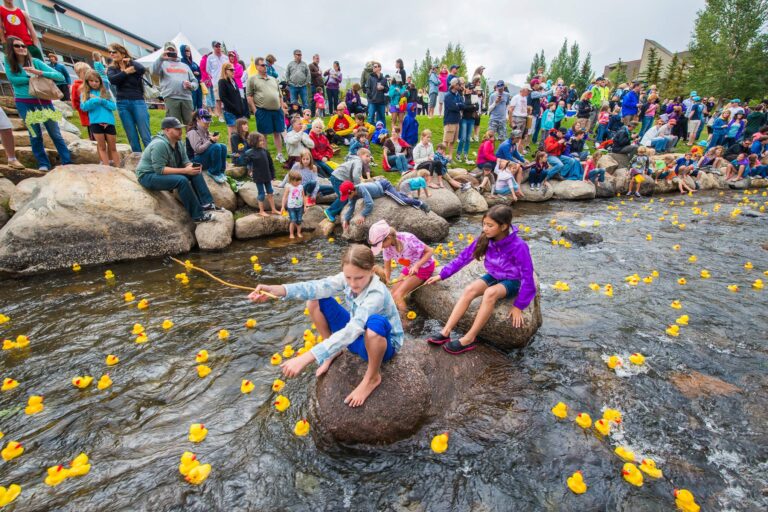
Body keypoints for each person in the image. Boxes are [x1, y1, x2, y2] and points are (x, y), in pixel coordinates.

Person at [249, 244, 404, 408]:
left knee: (375, 325)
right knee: (315, 298)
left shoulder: (377, 293)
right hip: (357, 335)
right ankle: (333, 351)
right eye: (348, 277)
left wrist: (308, 356)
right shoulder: (348, 278)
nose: (352, 283)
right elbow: (315, 287)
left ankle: (372, 378)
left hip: (380, 344)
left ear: (371, 271)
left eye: (359, 278)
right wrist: (276, 290)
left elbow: (353, 329)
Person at [424, 205, 535, 354]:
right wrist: (442, 274)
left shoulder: (519, 246)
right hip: (494, 275)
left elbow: (528, 276)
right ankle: (446, 332)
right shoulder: (485, 239)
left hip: (513, 281)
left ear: (503, 226)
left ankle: (469, 338)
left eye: (490, 225)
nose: (485, 228)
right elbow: (463, 258)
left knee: (490, 293)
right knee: (470, 289)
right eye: (484, 224)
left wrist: (519, 306)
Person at [3, 36, 72, 171]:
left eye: (23, 45)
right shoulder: (9, 63)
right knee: (35, 134)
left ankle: (67, 161)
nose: (22, 48)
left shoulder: (35, 62)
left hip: (43, 102)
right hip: (24, 103)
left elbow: (60, 76)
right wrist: (32, 77)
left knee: (55, 133)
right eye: (17, 46)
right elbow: (13, 80)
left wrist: (39, 72)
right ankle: (43, 163)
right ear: (11, 49)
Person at [135, 117, 219, 223]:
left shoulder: (178, 142)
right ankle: (197, 216)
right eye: (177, 129)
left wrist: (192, 166)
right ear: (167, 130)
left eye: (181, 128)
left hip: (162, 172)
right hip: (147, 176)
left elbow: (185, 161)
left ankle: (207, 204)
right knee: (181, 180)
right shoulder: (159, 144)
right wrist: (185, 171)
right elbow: (159, 170)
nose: (181, 131)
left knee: (195, 171)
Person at [369, 219, 435, 313]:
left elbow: (430, 251)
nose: (381, 248)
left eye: (381, 245)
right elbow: (387, 268)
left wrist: (417, 265)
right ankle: (400, 309)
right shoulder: (386, 249)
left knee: (398, 295)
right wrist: (386, 280)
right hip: (409, 268)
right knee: (392, 294)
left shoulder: (408, 239)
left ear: (388, 238)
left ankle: (405, 322)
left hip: (424, 267)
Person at [107, 43, 151, 153]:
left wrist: (130, 62)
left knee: (145, 134)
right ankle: (138, 159)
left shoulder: (133, 66)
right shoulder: (112, 68)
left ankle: (152, 159)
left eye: (114, 52)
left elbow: (142, 69)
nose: (112, 54)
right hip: (122, 103)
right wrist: (126, 72)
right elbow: (113, 80)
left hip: (137, 101)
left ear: (122, 53)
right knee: (132, 136)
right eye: (110, 52)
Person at [343, 178, 429, 232]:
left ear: (352, 191)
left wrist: (363, 214)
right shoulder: (352, 195)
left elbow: (369, 203)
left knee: (401, 202)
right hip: (379, 186)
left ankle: (419, 203)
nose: (348, 198)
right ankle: (406, 197)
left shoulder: (361, 188)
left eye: (347, 195)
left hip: (384, 187)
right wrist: (346, 219)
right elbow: (351, 207)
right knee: (398, 196)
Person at [246, 56, 286, 162]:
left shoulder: (273, 79)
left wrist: (281, 107)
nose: (265, 67)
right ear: (257, 66)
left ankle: (279, 154)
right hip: (263, 110)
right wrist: (255, 110)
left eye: (266, 65)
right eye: (262, 65)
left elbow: (280, 95)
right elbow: (249, 96)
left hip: (277, 110)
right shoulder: (252, 79)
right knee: (263, 134)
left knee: (277, 132)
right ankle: (265, 155)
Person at [153, 42, 197, 127]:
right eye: (168, 50)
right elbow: (154, 72)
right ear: (164, 52)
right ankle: (176, 141)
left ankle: (191, 140)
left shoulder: (185, 66)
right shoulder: (162, 64)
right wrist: (161, 58)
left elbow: (195, 82)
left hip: (186, 98)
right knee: (174, 126)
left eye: (172, 50)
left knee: (191, 124)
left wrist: (191, 85)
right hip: (171, 98)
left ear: (176, 51)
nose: (171, 51)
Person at [80, 70, 118, 166]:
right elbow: (84, 107)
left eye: (96, 81)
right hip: (95, 122)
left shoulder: (105, 91)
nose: (94, 83)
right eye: (91, 81)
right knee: (102, 147)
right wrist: (94, 101)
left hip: (109, 122)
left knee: (113, 147)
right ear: (87, 82)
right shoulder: (85, 93)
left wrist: (103, 101)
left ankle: (119, 167)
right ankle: (106, 167)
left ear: (100, 81)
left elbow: (113, 106)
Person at [323, 148, 371, 222]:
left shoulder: (356, 160)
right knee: (344, 196)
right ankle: (330, 211)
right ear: (361, 155)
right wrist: (359, 186)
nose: (369, 158)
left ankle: (337, 209)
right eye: (367, 156)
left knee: (345, 196)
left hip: (338, 177)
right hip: (338, 178)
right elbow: (355, 175)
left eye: (369, 156)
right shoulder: (358, 162)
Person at [186, 109, 228, 183]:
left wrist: (211, 139)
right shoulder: (192, 132)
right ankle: (213, 172)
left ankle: (221, 171)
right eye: (206, 121)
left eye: (209, 120)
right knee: (216, 147)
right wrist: (211, 141)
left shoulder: (205, 129)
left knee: (223, 146)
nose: (208, 123)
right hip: (194, 161)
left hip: (202, 156)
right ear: (197, 119)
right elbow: (198, 150)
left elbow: (208, 146)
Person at [244, 132, 280, 215]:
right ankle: (261, 211)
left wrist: (273, 175)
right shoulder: (249, 153)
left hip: (267, 175)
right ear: (254, 141)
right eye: (260, 141)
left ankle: (273, 209)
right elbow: (246, 163)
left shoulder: (265, 151)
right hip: (258, 177)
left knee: (270, 192)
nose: (262, 142)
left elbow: (270, 164)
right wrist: (249, 170)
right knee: (261, 194)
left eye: (263, 140)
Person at [217, 62, 247, 137]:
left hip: (238, 110)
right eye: (231, 70)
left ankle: (240, 148)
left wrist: (241, 107)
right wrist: (233, 107)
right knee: (233, 133)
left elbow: (237, 95)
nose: (234, 71)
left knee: (240, 132)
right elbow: (222, 97)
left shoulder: (233, 80)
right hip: (230, 111)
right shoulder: (222, 81)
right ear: (225, 70)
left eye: (234, 69)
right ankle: (232, 148)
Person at [71, 62, 94, 142]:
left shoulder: (93, 83)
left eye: (89, 71)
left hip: (97, 114)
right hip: (87, 114)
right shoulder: (76, 85)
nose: (88, 74)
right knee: (93, 135)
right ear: (78, 73)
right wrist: (83, 109)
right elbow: (75, 101)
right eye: (85, 72)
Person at [205, 41, 228, 120]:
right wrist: (214, 76)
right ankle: (220, 116)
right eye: (216, 46)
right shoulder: (210, 57)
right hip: (216, 81)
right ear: (213, 47)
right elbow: (208, 69)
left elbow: (228, 67)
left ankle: (227, 114)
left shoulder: (225, 57)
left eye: (219, 46)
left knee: (226, 98)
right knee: (218, 99)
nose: (218, 48)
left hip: (225, 80)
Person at [442, 78, 464, 159]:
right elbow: (453, 107)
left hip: (457, 121)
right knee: (446, 140)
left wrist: (458, 105)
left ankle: (450, 157)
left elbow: (463, 105)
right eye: (458, 84)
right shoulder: (447, 95)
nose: (460, 86)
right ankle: (442, 156)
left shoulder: (458, 95)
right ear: (454, 85)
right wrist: (458, 105)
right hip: (449, 121)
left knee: (453, 141)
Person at [456, 83, 478, 164]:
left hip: (471, 119)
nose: (470, 90)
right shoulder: (463, 97)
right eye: (469, 88)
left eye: (472, 89)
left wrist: (470, 107)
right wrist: (472, 106)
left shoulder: (474, 96)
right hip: (464, 119)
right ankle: (458, 154)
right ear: (466, 88)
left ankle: (465, 154)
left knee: (468, 138)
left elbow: (477, 107)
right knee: (463, 138)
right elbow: (463, 107)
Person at [281, 169, 305, 238]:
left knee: (299, 221)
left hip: (299, 207)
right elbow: (284, 197)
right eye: (297, 181)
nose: (299, 182)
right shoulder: (289, 187)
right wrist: (283, 206)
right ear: (291, 180)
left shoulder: (301, 187)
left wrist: (305, 206)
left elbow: (303, 196)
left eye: (299, 180)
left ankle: (298, 233)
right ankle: (291, 234)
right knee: (293, 220)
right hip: (291, 207)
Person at [180, 45, 202, 110]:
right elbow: (182, 72)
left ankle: (200, 117)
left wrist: (199, 74)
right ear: (183, 51)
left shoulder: (193, 63)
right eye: (186, 51)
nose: (188, 52)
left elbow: (200, 71)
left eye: (189, 51)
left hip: (197, 84)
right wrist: (192, 72)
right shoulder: (181, 62)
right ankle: (192, 117)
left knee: (199, 102)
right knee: (193, 102)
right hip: (189, 85)